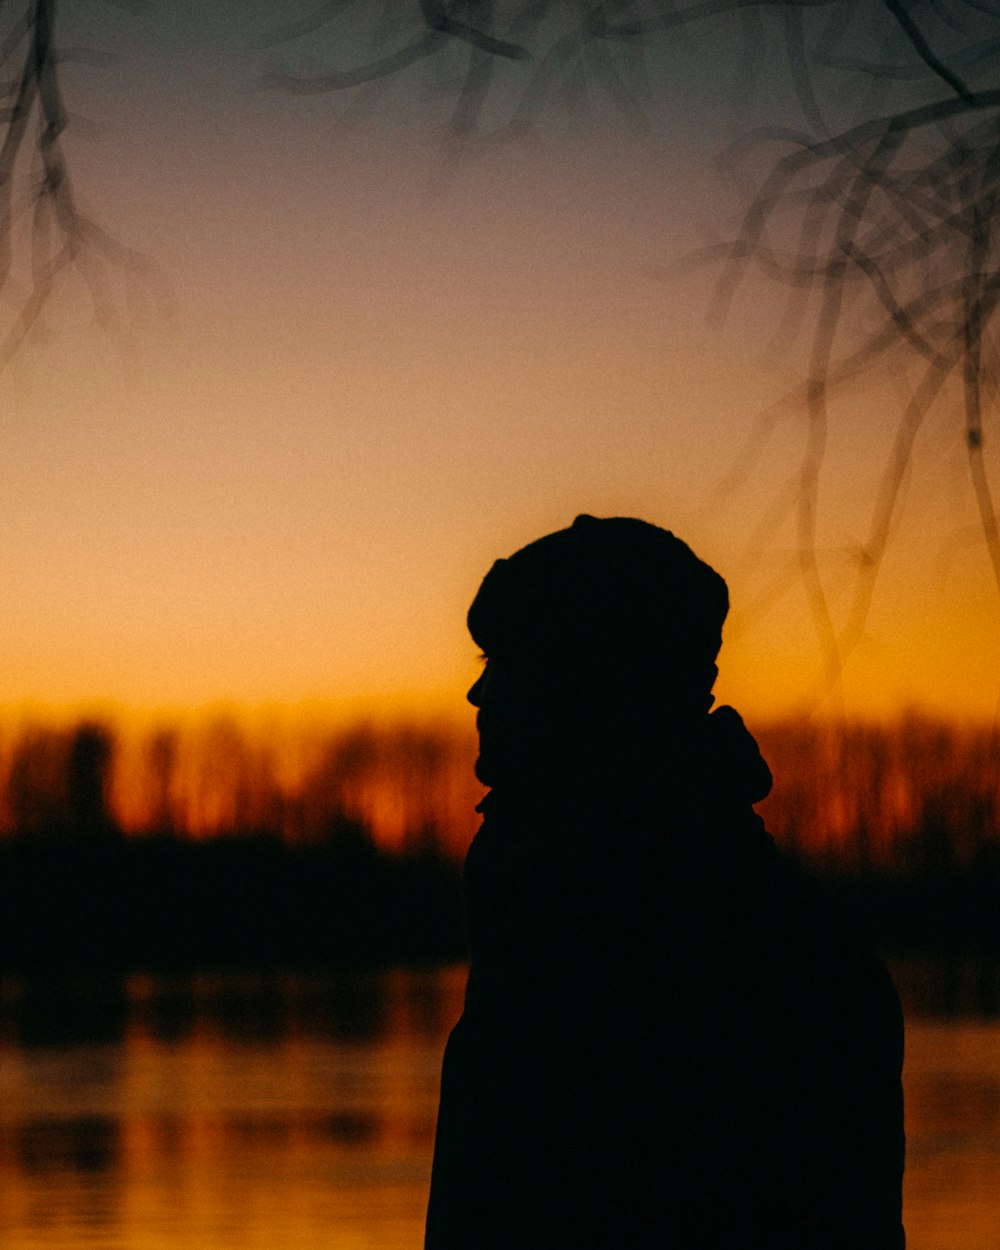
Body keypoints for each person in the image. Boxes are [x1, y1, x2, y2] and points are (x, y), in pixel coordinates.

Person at [425, 515, 905, 1250]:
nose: (478, 695)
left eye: (507, 663)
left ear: (587, 688)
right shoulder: (551, 917)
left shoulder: (731, 958)